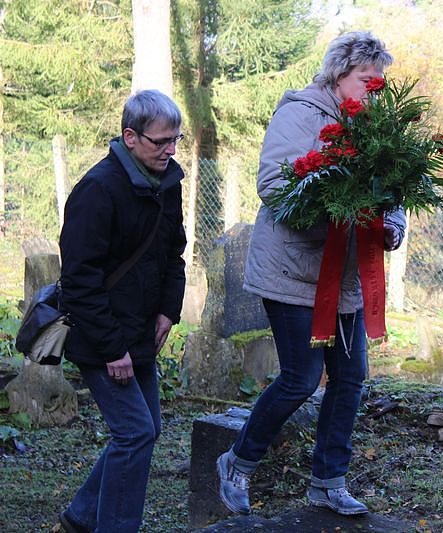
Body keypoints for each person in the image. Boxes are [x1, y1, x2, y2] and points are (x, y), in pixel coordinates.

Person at [216, 30, 406, 517]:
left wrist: (391, 223)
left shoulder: (372, 124)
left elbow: (394, 188)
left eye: (381, 80)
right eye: (368, 79)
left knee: (351, 376)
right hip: (293, 271)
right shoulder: (300, 113)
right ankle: (236, 463)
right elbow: (273, 185)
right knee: (301, 378)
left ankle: (328, 483)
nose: (376, 88)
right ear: (340, 73)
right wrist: (336, 211)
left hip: (345, 279)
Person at [57, 89, 187, 533]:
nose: (171, 150)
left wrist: (170, 309)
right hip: (101, 336)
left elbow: (175, 254)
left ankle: (80, 517)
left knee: (145, 430)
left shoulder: (168, 183)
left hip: (142, 332)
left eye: (176, 140)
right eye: (161, 141)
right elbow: (78, 280)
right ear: (130, 137)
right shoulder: (97, 190)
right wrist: (112, 349)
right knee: (134, 433)